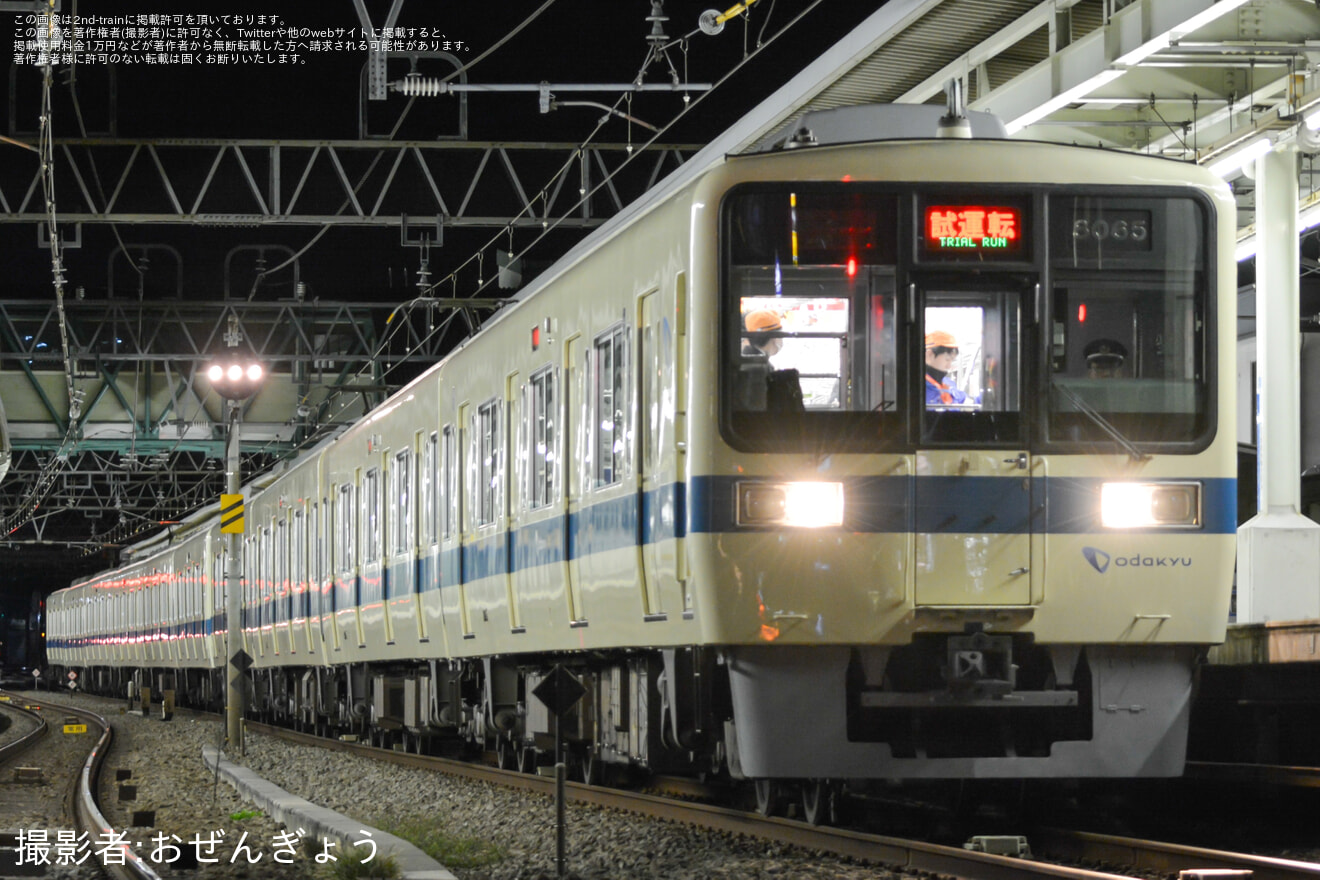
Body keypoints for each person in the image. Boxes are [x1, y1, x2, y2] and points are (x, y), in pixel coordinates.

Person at [924, 330, 974, 407]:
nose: (949, 366)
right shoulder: (917, 390)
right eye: (947, 359)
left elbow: (970, 403)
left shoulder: (948, 384)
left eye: (952, 360)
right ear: (929, 355)